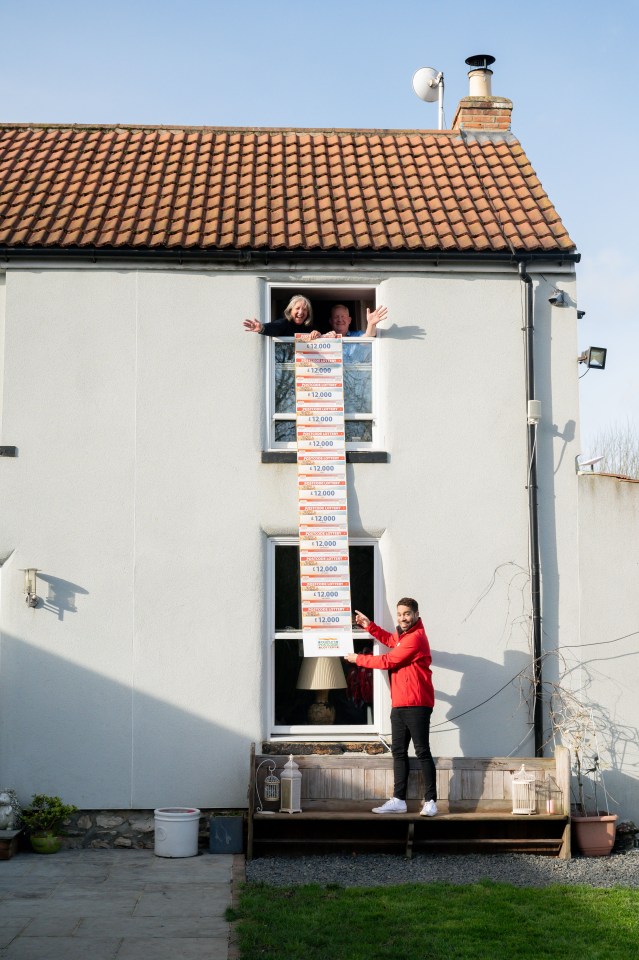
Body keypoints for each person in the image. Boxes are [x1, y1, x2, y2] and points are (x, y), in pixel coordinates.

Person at [344, 598, 437, 817]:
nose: (403, 618)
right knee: (398, 753)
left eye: (407, 614)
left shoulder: (416, 638)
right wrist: (369, 625)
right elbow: (389, 639)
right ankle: (399, 800)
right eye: (400, 614)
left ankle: (431, 801)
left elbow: (388, 661)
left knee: (422, 752)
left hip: (417, 704)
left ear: (415, 614)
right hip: (399, 704)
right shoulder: (404, 636)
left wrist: (358, 658)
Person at [243, 294, 320, 338]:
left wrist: (318, 335)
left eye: (305, 309)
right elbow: (275, 326)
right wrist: (262, 328)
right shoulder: (284, 323)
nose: (301, 312)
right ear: (290, 310)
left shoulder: (310, 327)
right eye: (297, 308)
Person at [323, 303, 388, 338]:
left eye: (343, 316)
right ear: (330, 321)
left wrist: (371, 324)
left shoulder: (357, 335)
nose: (340, 319)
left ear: (349, 320)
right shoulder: (326, 337)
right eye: (336, 317)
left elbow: (368, 336)